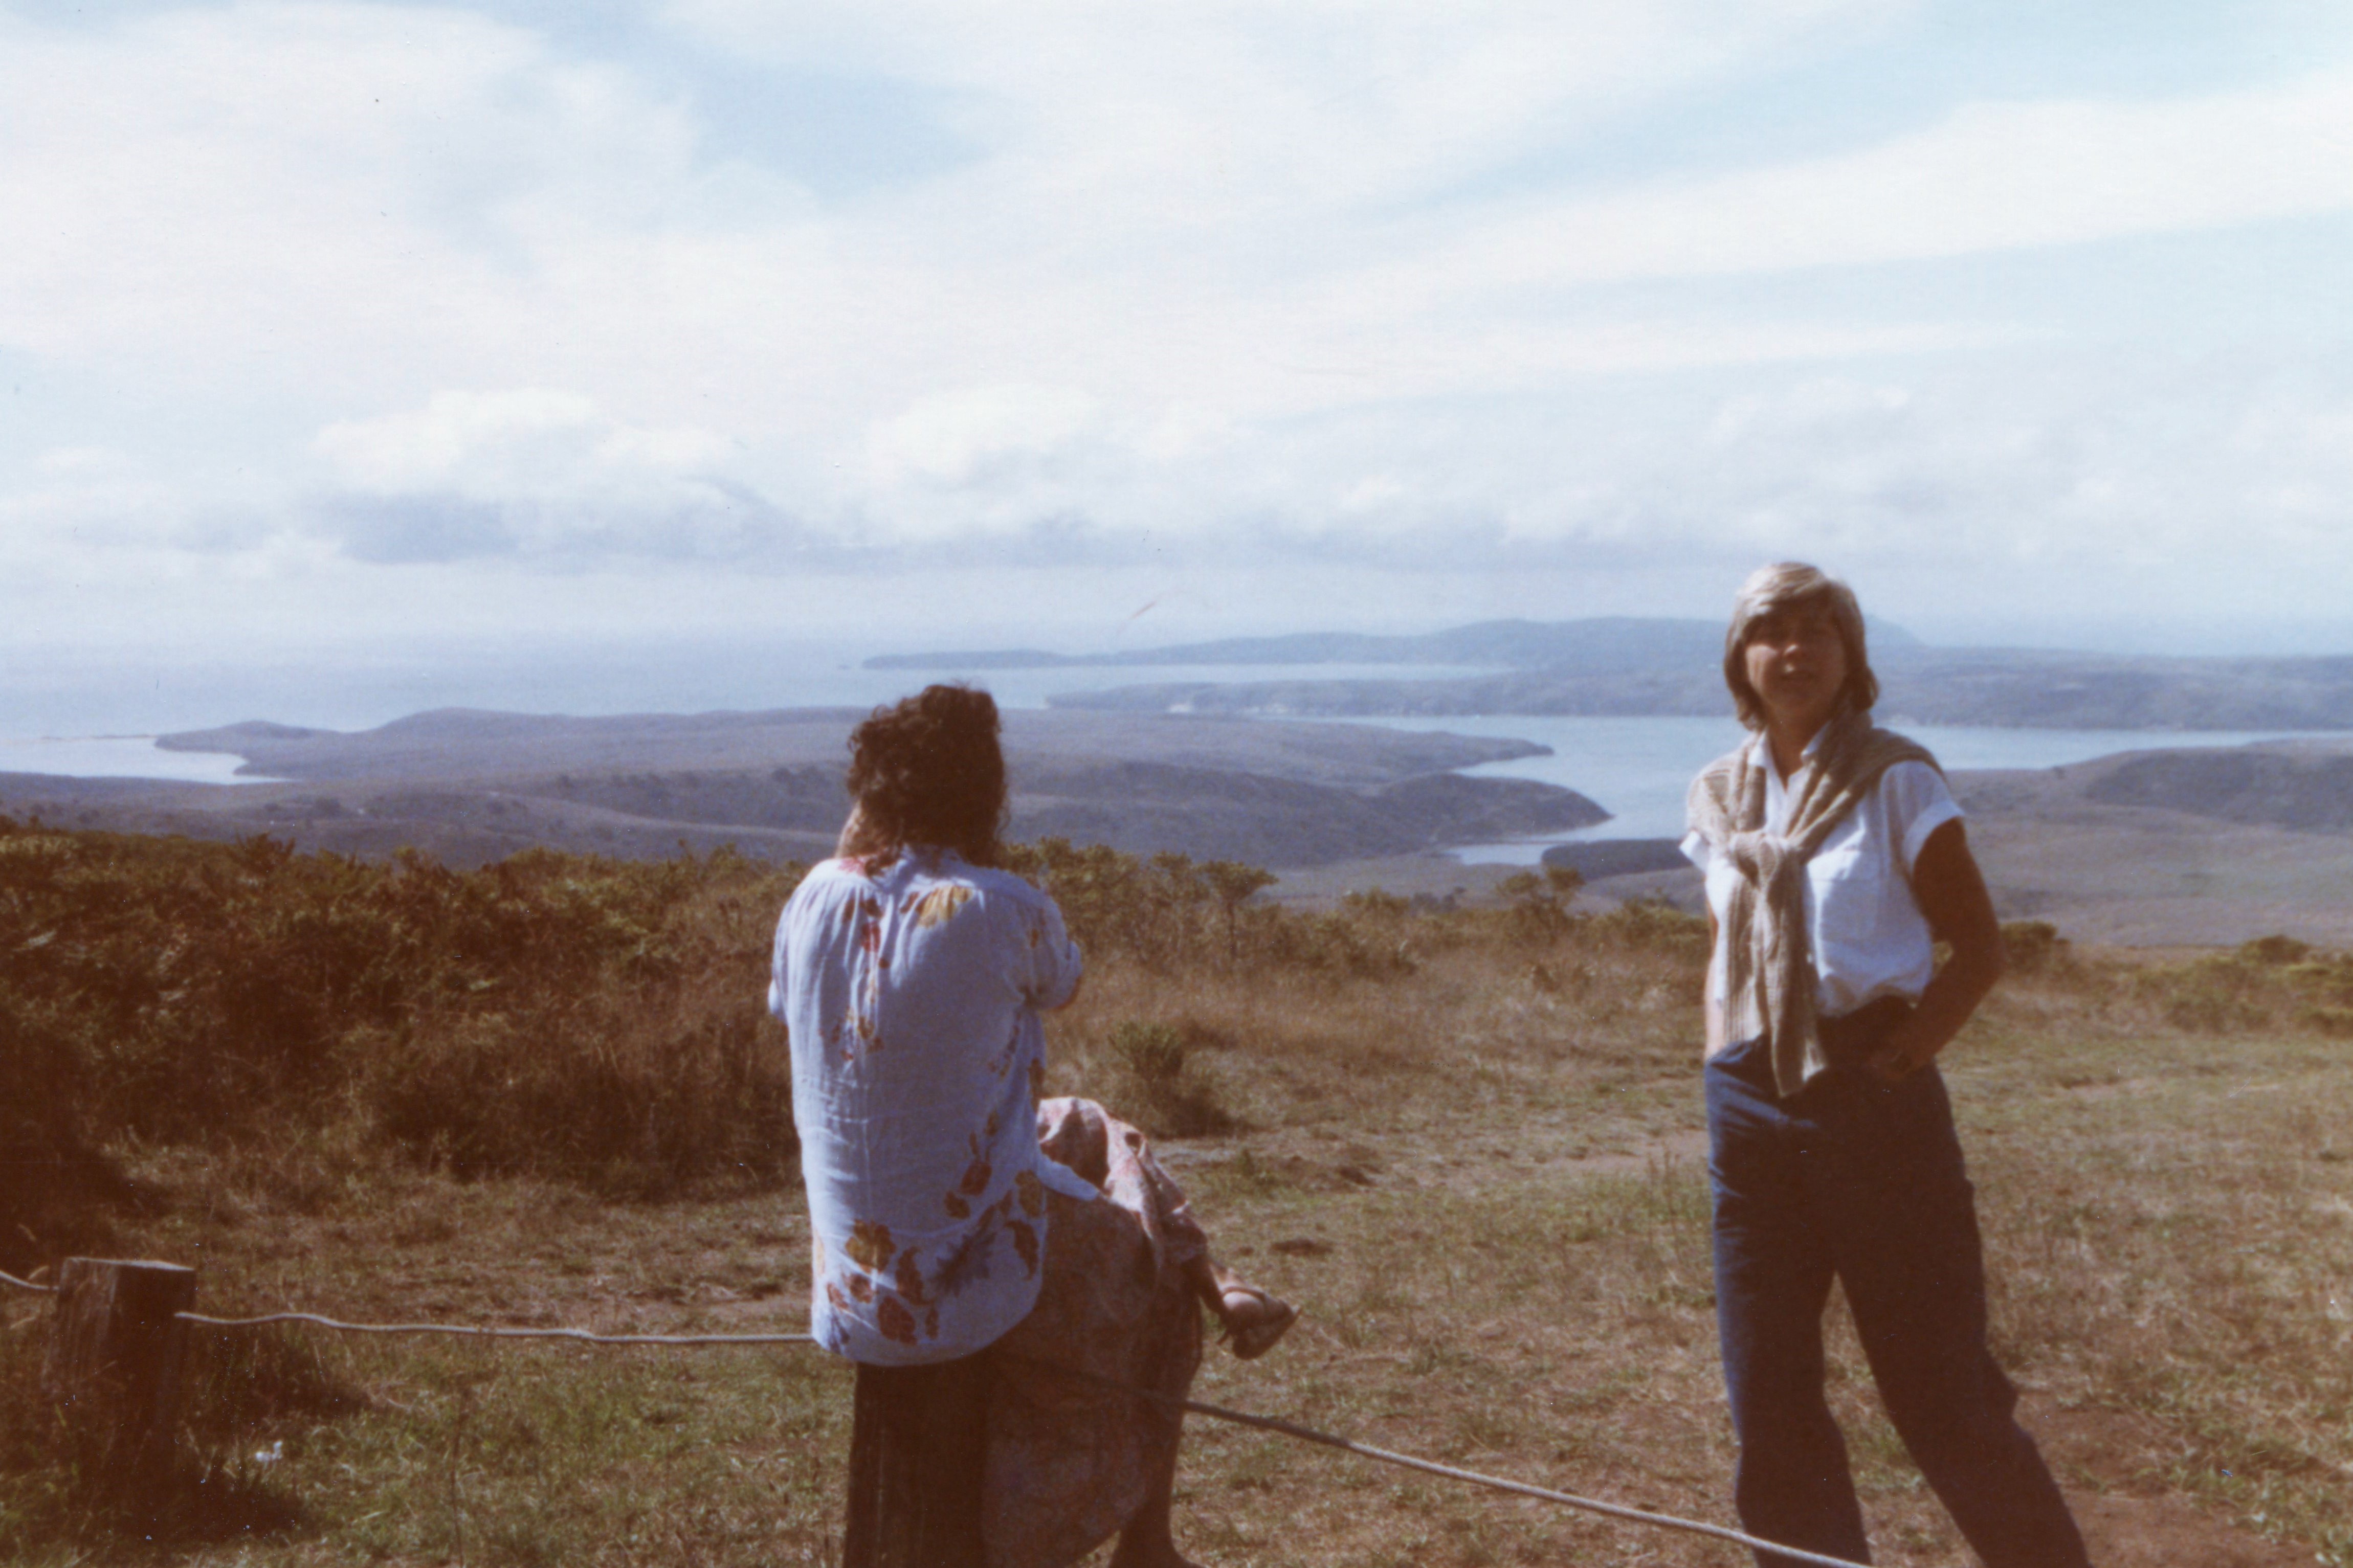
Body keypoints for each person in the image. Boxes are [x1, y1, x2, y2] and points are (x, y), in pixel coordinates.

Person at [769, 683, 1293, 1568]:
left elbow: (796, 996)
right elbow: (1063, 983)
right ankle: (1152, 1533)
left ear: (870, 791)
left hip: (854, 1288)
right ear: (986, 791)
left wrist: (858, 843)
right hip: (967, 1278)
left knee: (1085, 1122)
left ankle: (1217, 1275)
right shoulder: (1006, 906)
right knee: (1149, 1256)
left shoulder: (810, 896)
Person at [1681, 564, 2091, 1568]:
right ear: (1739, 657)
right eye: (1768, 632)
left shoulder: (1895, 777)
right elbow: (1725, 945)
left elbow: (1977, 949)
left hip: (1872, 1100)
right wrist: (1727, 1057)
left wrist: (1892, 1066)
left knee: (1940, 1395)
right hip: (1747, 1102)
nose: (1792, 651)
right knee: (1768, 1402)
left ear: (1849, 658)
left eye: (1817, 632)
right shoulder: (1716, 795)